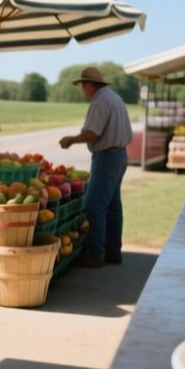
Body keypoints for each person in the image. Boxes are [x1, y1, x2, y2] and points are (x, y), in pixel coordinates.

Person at [59, 67, 133, 268]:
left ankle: (95, 252)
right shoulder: (114, 97)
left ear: (90, 85)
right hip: (120, 155)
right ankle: (112, 250)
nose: (82, 89)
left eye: (83, 84)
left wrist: (71, 140)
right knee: (113, 205)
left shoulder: (100, 101)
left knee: (94, 205)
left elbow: (92, 132)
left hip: (107, 156)